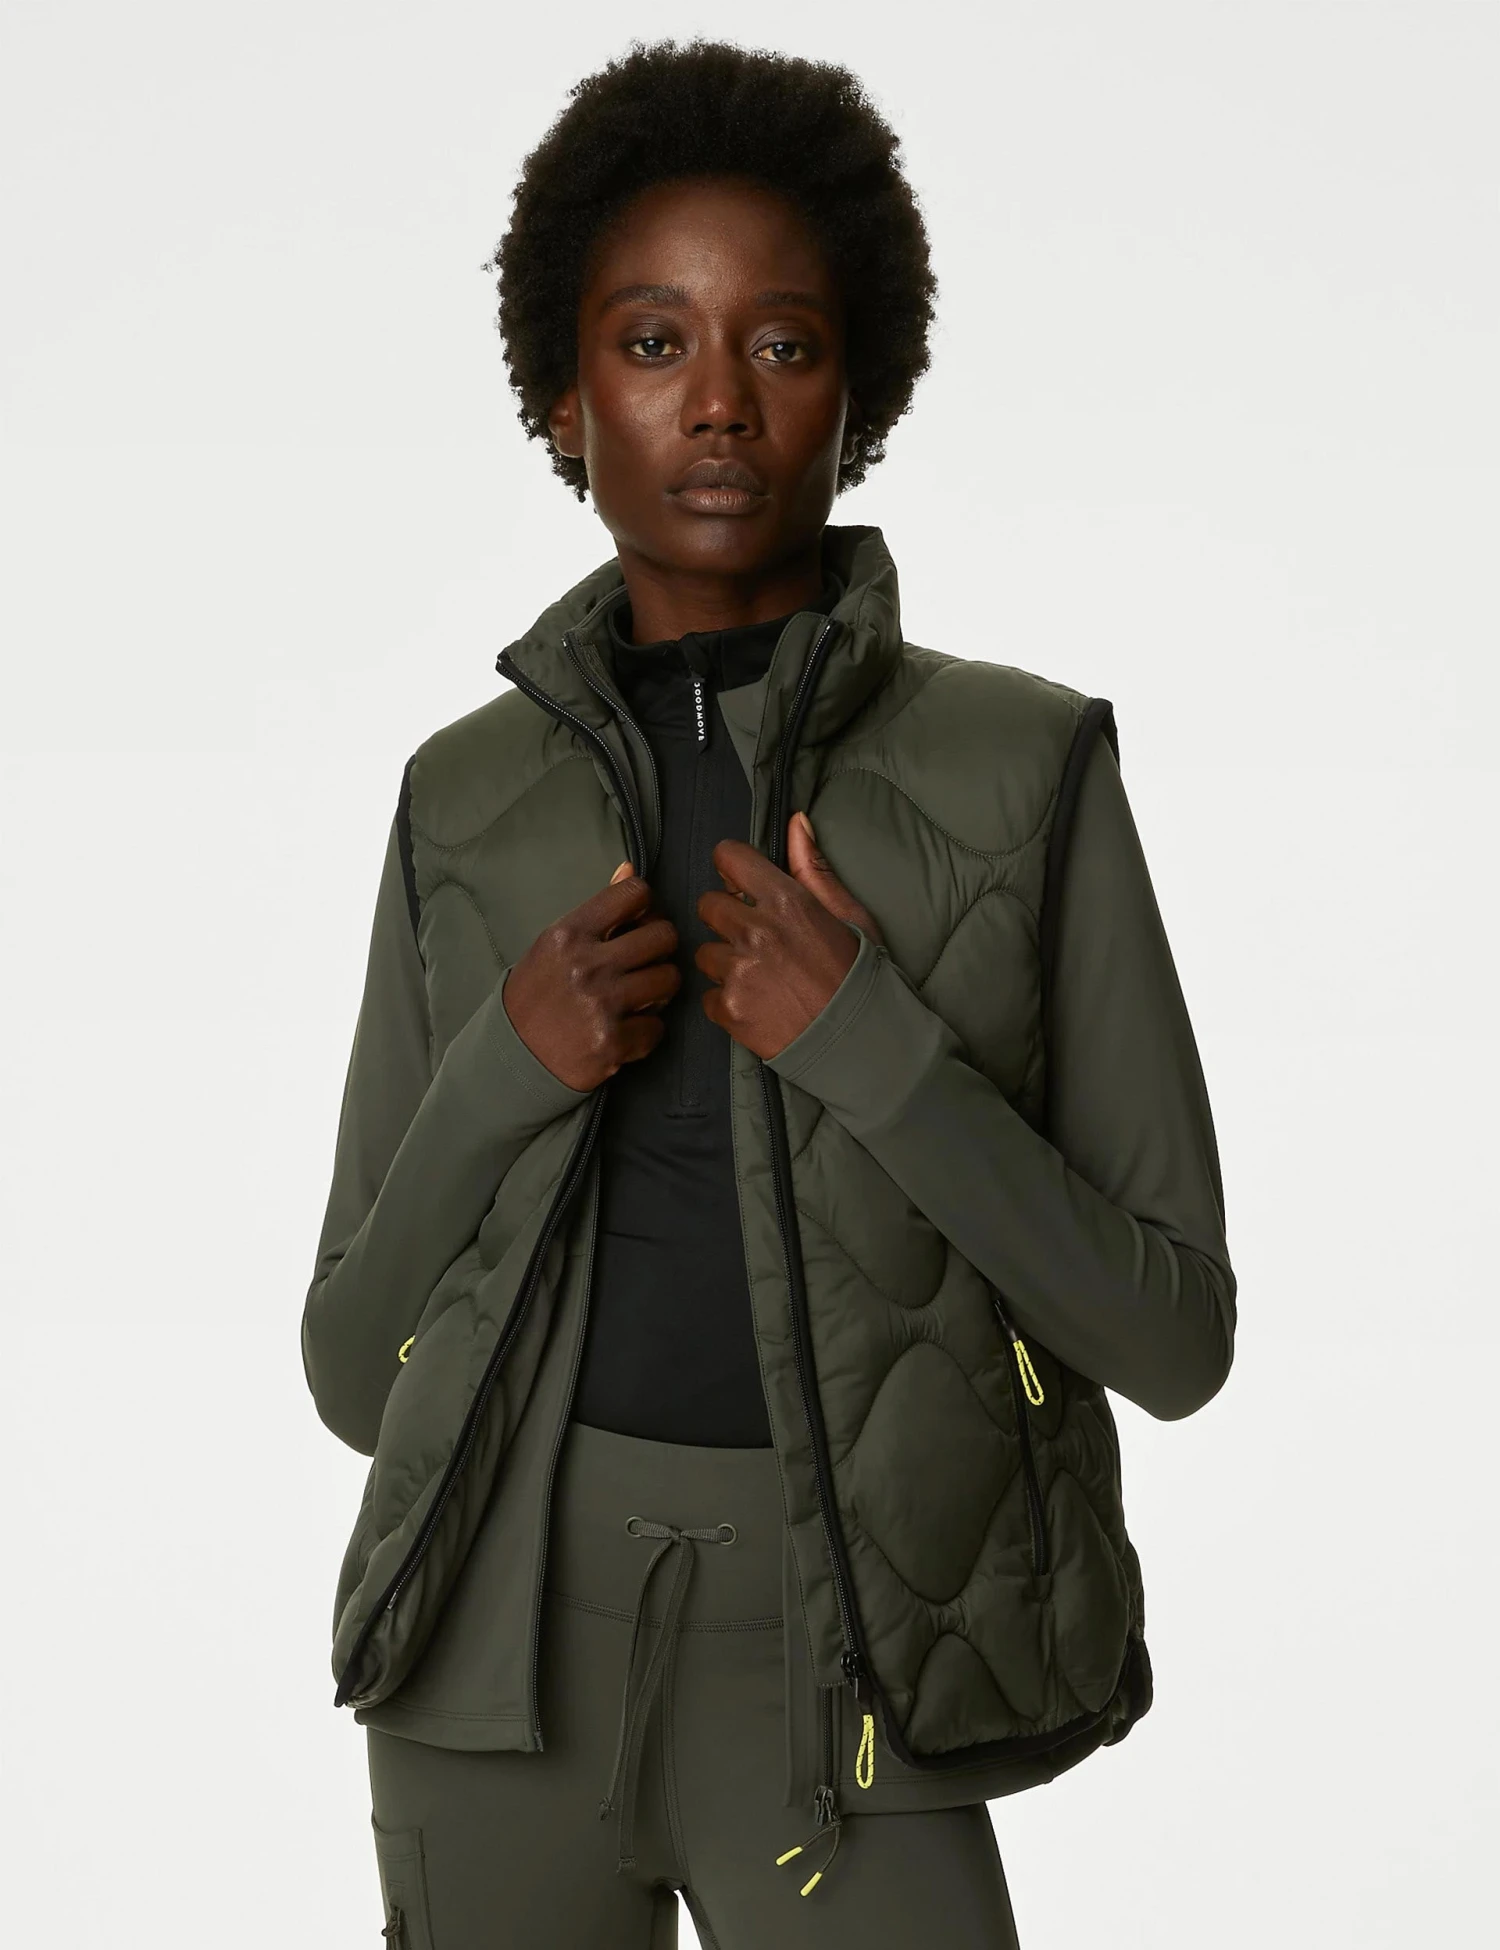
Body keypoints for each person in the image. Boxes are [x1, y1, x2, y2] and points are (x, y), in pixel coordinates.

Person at [300, 37, 1236, 1950]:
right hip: (487, 1677)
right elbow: (345, 1368)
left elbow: (1176, 1335)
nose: (718, 401)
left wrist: (878, 1052)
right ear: (564, 397)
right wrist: (504, 1069)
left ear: (860, 395)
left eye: (783, 345)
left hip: (859, 1684)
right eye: (654, 343)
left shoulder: (1028, 772)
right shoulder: (459, 802)